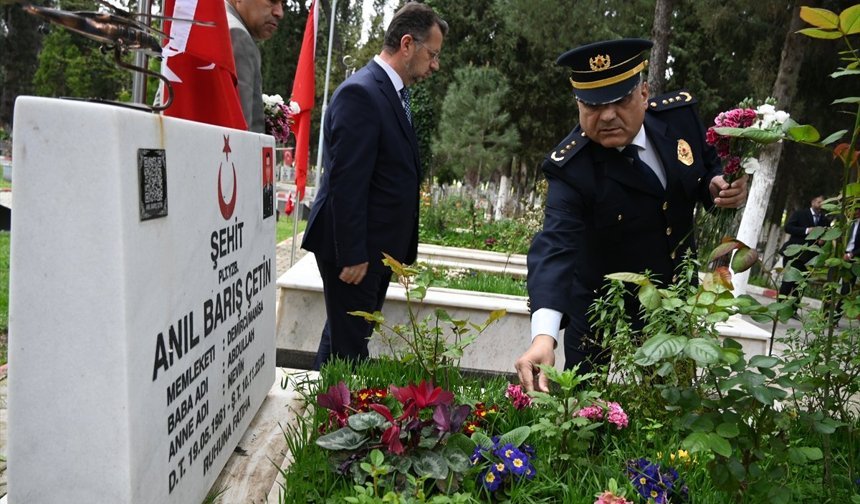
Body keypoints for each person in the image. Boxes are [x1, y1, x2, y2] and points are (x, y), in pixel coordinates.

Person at [514, 38, 749, 392]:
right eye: (593, 105)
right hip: (599, 310)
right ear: (578, 103)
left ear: (643, 92)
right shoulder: (572, 167)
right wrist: (543, 337)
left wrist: (717, 186)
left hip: (672, 304)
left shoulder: (678, 117)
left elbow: (703, 168)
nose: (607, 116)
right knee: (583, 408)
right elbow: (554, 247)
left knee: (674, 405)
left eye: (620, 100)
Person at [301, 3, 448, 370]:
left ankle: (320, 403)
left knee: (343, 340)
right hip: (356, 252)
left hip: (373, 250)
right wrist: (352, 253)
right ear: (407, 44)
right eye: (432, 54)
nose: (435, 65)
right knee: (350, 352)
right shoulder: (363, 93)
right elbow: (347, 181)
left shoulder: (391, 93)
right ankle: (337, 408)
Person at [225, 0, 284, 133]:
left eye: (283, 4)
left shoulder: (199, 23)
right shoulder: (237, 35)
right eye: (272, 1)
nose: (279, 13)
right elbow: (240, 133)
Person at [778, 195, 830, 303]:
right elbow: (788, 228)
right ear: (813, 202)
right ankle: (780, 306)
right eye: (819, 202)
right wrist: (806, 230)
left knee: (801, 285)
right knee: (787, 283)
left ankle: (794, 308)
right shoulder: (800, 214)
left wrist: (823, 240)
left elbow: (827, 235)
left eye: (823, 203)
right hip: (794, 254)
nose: (821, 205)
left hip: (809, 259)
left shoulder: (825, 220)